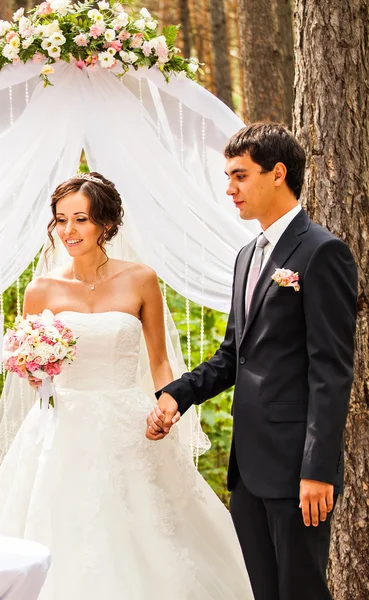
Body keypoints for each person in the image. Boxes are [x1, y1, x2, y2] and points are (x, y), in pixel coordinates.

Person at [0, 173, 254, 600]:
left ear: (106, 223)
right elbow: (29, 371)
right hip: (59, 430)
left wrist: (167, 408)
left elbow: (158, 360)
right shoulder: (41, 289)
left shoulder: (141, 279)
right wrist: (32, 364)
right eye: (61, 220)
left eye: (80, 219)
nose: (69, 231)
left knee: (149, 532)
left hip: (128, 426)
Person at [147, 123, 358, 600]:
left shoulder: (323, 252)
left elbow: (331, 371)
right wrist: (177, 394)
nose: (229, 189)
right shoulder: (247, 256)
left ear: (278, 173)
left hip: (297, 472)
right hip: (248, 468)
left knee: (300, 590)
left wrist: (317, 470)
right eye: (228, 176)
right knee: (261, 591)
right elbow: (233, 355)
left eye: (239, 176)